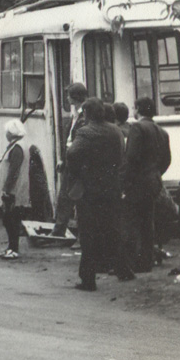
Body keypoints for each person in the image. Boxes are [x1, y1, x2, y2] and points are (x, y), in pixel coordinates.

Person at [65, 98, 125, 291]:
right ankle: (124, 269)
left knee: (88, 234)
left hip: (90, 190)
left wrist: (80, 170)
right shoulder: (115, 130)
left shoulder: (85, 132)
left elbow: (72, 154)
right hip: (112, 187)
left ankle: (88, 279)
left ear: (87, 113)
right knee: (113, 229)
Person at [122, 96, 172, 273]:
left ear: (139, 110)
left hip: (137, 182)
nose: (133, 112)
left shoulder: (137, 128)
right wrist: (156, 174)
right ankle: (146, 261)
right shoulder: (162, 132)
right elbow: (167, 160)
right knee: (147, 222)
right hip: (153, 182)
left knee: (132, 222)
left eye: (135, 108)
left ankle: (132, 263)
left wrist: (126, 183)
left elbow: (131, 158)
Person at [50, 82, 89, 238]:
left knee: (68, 197)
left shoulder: (84, 114)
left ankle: (61, 230)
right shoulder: (77, 113)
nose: (66, 98)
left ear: (75, 97)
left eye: (68, 95)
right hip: (71, 162)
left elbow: (76, 140)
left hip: (76, 164)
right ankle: (60, 229)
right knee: (67, 196)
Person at [0, 119, 30, 259]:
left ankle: (13, 249)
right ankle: (11, 248)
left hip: (14, 191)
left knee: (10, 219)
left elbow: (14, 171)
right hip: (15, 190)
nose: (6, 134)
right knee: (10, 219)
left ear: (11, 133)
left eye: (7, 132)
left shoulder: (17, 148)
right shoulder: (18, 146)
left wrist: (7, 189)